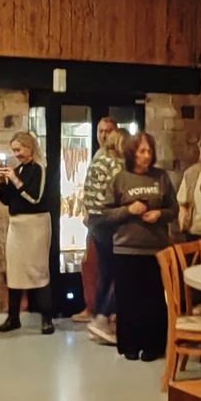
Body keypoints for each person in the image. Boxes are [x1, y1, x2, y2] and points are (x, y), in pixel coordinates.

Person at [103, 131, 179, 362]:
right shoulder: (121, 179)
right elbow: (105, 214)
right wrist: (129, 210)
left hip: (156, 249)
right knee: (128, 299)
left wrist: (159, 214)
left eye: (150, 151)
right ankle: (129, 345)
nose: (146, 155)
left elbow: (174, 209)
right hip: (126, 248)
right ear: (132, 153)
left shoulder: (161, 177)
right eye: (142, 151)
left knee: (154, 300)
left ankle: (153, 346)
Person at [0, 130, 53, 335]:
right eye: (13, 151)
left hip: (35, 225)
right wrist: (3, 182)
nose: (16, 154)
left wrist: (15, 179)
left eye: (19, 150)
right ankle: (13, 317)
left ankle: (46, 317)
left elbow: (34, 197)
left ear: (29, 148)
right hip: (17, 225)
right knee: (15, 269)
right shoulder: (18, 169)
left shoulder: (39, 169)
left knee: (38, 269)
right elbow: (6, 200)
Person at [79, 117, 124, 343]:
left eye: (108, 131)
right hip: (108, 223)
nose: (104, 135)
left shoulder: (100, 157)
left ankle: (100, 315)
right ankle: (102, 317)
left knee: (106, 271)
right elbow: (117, 194)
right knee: (120, 272)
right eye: (101, 131)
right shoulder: (113, 162)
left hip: (97, 222)